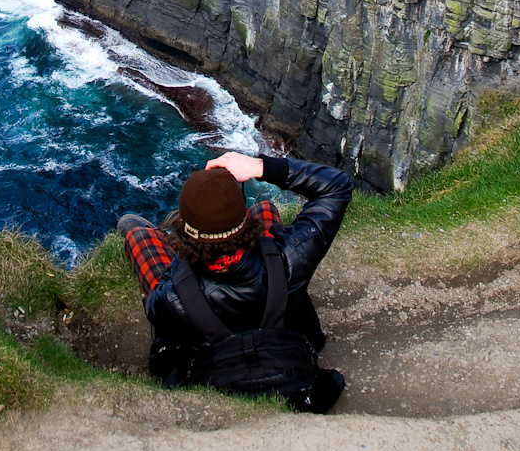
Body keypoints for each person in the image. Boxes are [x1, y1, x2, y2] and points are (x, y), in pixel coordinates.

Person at [118, 148, 352, 412]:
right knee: (264, 208)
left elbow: (155, 307)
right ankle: (217, 229)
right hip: (283, 336)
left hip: (211, 363)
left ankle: (160, 234)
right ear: (244, 226)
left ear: (186, 234)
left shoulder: (169, 299)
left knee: (136, 232)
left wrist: (188, 248)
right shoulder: (291, 259)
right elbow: (336, 185)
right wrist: (259, 167)